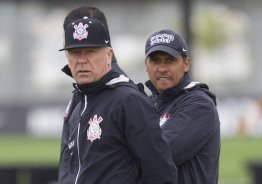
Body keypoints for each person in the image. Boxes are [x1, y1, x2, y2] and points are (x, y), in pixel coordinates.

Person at [58, 16, 177, 184]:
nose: (82, 60)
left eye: (90, 52)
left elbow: (161, 171)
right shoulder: (83, 100)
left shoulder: (128, 100)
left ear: (108, 55)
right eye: (75, 53)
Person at [144, 29, 221, 184]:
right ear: (146, 65)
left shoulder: (199, 104)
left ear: (186, 64)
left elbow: (160, 155)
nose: (162, 68)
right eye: (155, 60)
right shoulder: (146, 103)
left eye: (170, 60)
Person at [61, 5, 126, 78]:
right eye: (75, 51)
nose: (82, 60)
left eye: (90, 51)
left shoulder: (117, 85)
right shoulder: (93, 83)